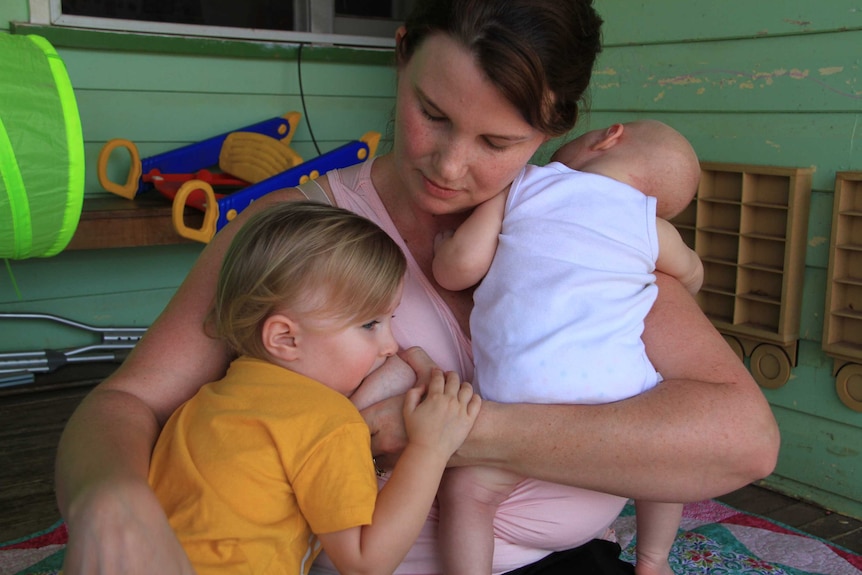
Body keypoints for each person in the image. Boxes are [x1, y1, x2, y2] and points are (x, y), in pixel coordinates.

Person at [55, 1, 780, 574]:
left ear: (557, 129)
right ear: (401, 55)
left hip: (560, 560)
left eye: (499, 144)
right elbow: (127, 400)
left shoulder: (587, 229)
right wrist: (108, 496)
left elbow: (743, 441)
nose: (451, 166)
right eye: (432, 114)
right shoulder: (295, 233)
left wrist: (449, 433)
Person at [146, 201, 480, 575]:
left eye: (391, 319)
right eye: (370, 324)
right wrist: (430, 448)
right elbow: (365, 561)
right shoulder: (327, 422)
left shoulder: (211, 398)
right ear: (286, 339)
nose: (390, 345)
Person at [430, 119, 703, 575]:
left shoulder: (527, 183)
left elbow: (457, 271)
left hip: (518, 393)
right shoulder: (649, 226)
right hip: (617, 393)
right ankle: (654, 561)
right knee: (669, 464)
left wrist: (444, 249)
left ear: (608, 137)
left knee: (469, 494)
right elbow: (692, 276)